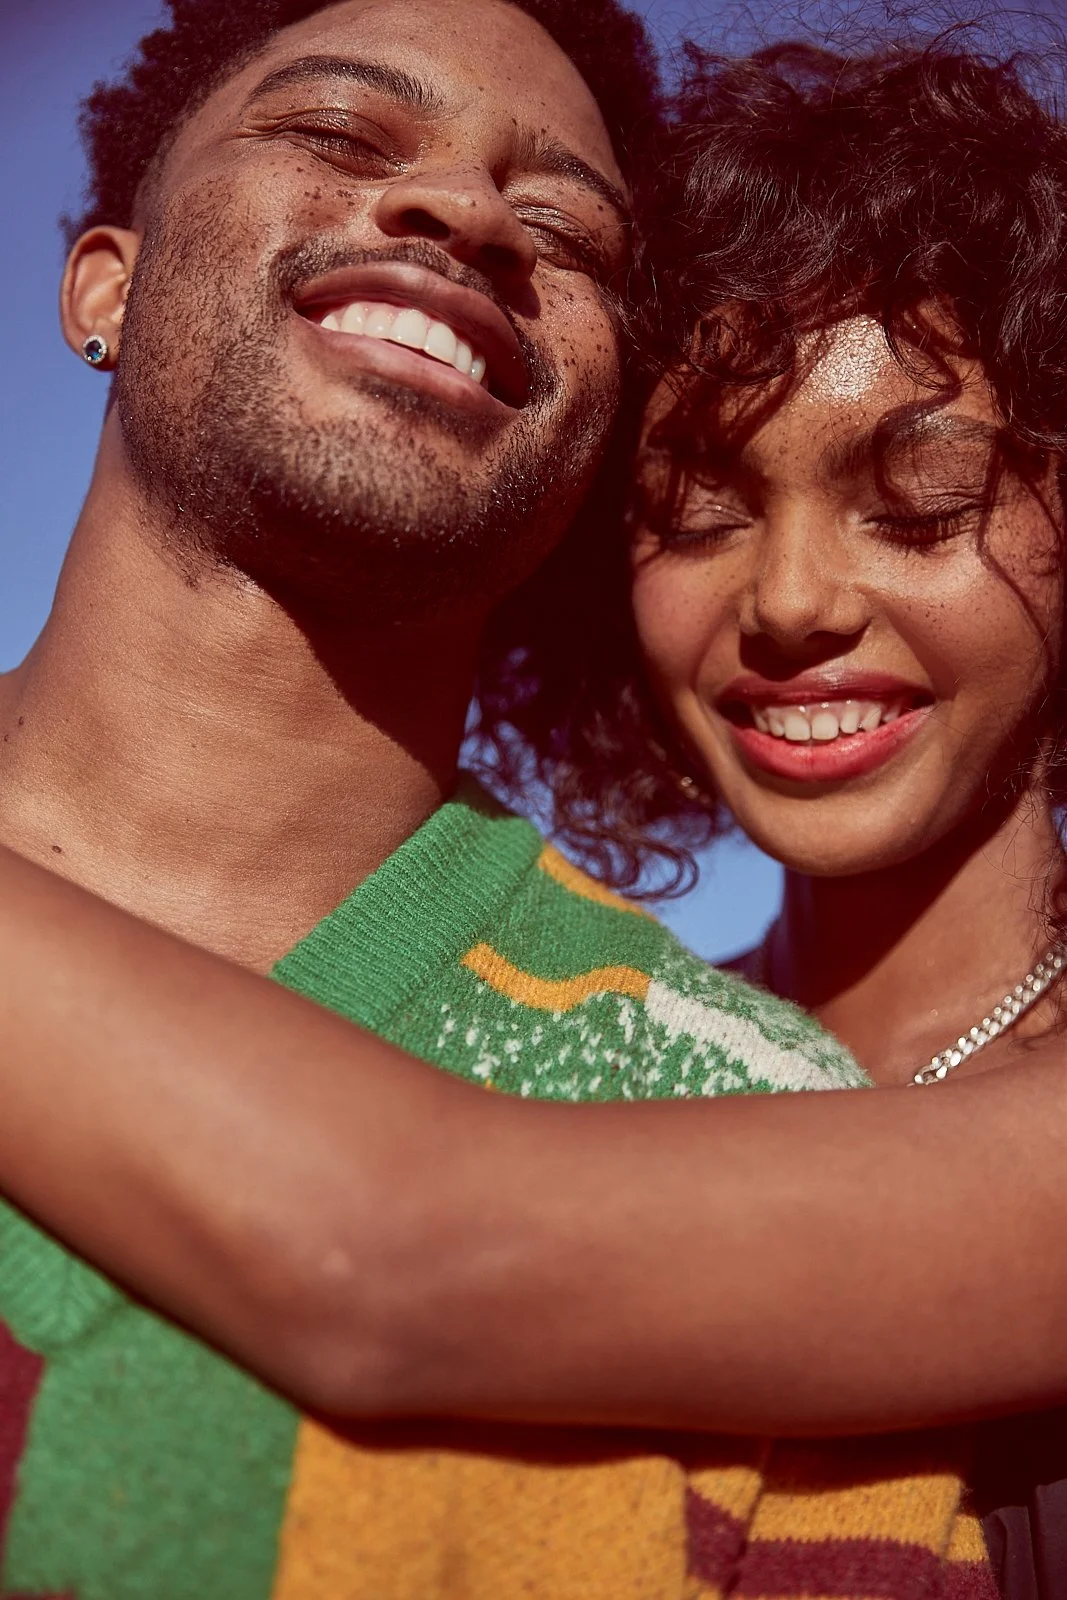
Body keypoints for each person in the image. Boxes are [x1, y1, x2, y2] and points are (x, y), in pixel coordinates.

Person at [0, 19, 1062, 1600]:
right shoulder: (659, 1033)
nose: (789, 602)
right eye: (691, 511)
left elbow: (397, 1248)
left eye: (920, 509)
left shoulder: (684, 1081)